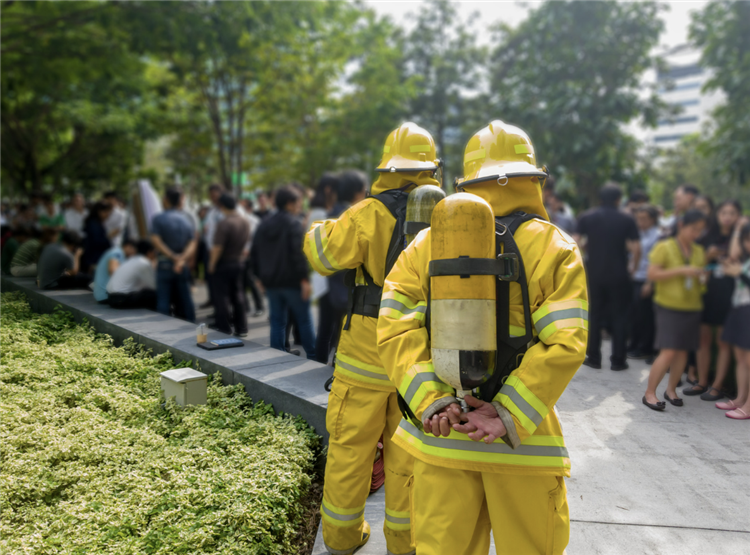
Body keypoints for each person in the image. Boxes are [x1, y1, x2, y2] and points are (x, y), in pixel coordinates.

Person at [377, 120, 587, 555]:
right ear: (534, 180)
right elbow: (566, 342)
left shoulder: (425, 245)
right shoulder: (554, 247)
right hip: (522, 447)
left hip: (444, 440)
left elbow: (395, 327)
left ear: (466, 182)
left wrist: (432, 399)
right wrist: (506, 412)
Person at [304, 122, 443, 555]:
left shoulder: (369, 212)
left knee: (350, 453)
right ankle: (405, 545)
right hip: (417, 362)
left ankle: (343, 539)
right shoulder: (449, 216)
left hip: (364, 359)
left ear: (387, 166)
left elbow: (322, 256)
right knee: (408, 462)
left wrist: (318, 226)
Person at [642, 210, 708, 411]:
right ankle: (649, 393)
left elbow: (703, 284)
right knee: (669, 351)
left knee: (682, 352)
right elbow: (653, 274)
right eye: (693, 229)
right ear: (681, 225)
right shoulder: (665, 246)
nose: (695, 234)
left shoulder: (698, 251)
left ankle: (671, 390)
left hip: (692, 307)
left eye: (699, 230)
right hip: (668, 306)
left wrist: (702, 277)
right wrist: (681, 270)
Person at [576, 183, 640, 370]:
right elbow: (636, 248)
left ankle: (594, 357)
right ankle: (618, 361)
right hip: (619, 273)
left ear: (600, 198)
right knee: (619, 316)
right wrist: (633, 268)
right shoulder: (627, 219)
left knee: (594, 314)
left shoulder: (587, 217)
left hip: (593, 272)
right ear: (619, 199)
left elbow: (576, 241)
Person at [684, 200, 742, 400]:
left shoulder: (742, 237)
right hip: (707, 292)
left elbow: (736, 257)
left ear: (738, 216)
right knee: (703, 338)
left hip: (731, 294)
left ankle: (717, 386)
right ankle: (702, 382)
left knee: (723, 341)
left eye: (732, 213)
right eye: (723, 212)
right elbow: (696, 264)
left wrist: (737, 231)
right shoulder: (707, 236)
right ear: (716, 215)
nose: (727, 216)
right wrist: (708, 256)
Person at [251, 186, 316, 358]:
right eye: (298, 202)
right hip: (292, 282)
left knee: (277, 322)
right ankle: (314, 356)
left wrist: (259, 278)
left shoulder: (264, 224)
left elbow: (254, 253)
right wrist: (304, 280)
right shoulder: (293, 224)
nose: (300, 205)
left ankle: (277, 355)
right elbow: (298, 254)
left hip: (271, 282)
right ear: (290, 203)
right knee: (304, 320)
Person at [314, 170, 370, 365]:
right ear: (357, 192)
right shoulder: (354, 216)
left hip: (328, 280)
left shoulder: (332, 212)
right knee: (343, 331)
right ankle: (337, 366)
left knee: (326, 329)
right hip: (345, 284)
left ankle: (319, 363)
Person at [717, 220, 750, 420]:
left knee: (748, 360)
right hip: (738, 309)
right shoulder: (746, 260)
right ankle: (740, 399)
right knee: (740, 358)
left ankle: (748, 406)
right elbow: (733, 255)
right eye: (748, 240)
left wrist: (740, 275)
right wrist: (738, 230)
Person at [151, 187, 197, 323]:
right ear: (180, 201)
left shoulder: (158, 219)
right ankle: (191, 327)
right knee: (186, 299)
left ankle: (161, 334)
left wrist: (172, 256)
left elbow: (156, 241)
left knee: (163, 299)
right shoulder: (187, 218)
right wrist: (181, 259)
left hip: (165, 263)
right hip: (182, 265)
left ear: (165, 200)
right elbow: (192, 243)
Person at [208, 192, 250, 337]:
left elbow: (218, 247)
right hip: (239, 261)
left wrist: (212, 264)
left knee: (222, 297)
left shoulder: (224, 223)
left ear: (223, 206)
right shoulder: (244, 221)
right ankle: (242, 327)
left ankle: (224, 328)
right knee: (238, 295)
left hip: (224, 263)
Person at [628, 205, 661, 360]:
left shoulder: (658, 236)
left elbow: (657, 261)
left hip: (646, 278)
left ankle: (645, 347)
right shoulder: (637, 233)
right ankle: (634, 344)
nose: (640, 222)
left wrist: (650, 282)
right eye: (638, 218)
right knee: (634, 314)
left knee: (645, 316)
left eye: (644, 219)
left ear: (653, 219)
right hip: (635, 276)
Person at [107, 239, 158, 309]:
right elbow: (153, 286)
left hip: (111, 298)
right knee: (154, 294)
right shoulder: (144, 262)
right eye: (155, 252)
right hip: (120, 299)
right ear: (149, 252)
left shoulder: (133, 260)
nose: (155, 254)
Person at [200, 184, 225, 309]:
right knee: (212, 282)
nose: (213, 198)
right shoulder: (212, 211)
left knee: (221, 285)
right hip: (209, 251)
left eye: (215, 195)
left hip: (221, 253)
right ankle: (217, 307)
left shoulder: (226, 210)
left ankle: (225, 314)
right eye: (211, 196)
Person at [239, 196, 264, 317]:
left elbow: (253, 239)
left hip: (250, 255)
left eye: (242, 207)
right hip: (240, 255)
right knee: (242, 282)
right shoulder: (241, 219)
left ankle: (259, 306)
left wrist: (247, 250)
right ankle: (245, 306)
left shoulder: (254, 220)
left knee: (251, 281)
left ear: (248, 208)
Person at [81, 202, 113, 273]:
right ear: (99, 211)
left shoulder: (97, 222)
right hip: (94, 259)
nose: (108, 215)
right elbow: (96, 241)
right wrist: (108, 237)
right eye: (106, 212)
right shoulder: (93, 224)